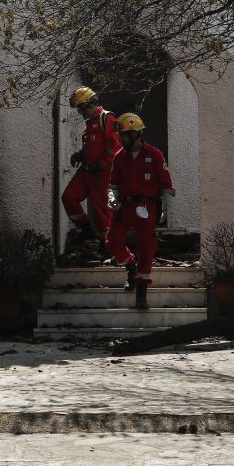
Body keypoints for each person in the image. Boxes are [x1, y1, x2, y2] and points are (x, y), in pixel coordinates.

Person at [104, 112, 175, 310]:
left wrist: (166, 207)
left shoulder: (154, 155)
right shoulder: (120, 157)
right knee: (113, 242)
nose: (120, 139)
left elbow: (166, 184)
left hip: (146, 206)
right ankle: (130, 266)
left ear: (134, 134)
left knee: (147, 248)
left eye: (123, 135)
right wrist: (112, 198)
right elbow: (113, 184)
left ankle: (141, 294)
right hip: (125, 206)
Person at [61, 86, 122, 241]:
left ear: (88, 104)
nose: (80, 112)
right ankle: (86, 228)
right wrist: (80, 155)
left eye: (81, 108)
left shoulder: (107, 118)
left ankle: (108, 244)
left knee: (103, 210)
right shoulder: (90, 123)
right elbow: (93, 147)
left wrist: (102, 164)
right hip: (87, 170)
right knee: (69, 197)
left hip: (102, 172)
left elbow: (115, 147)